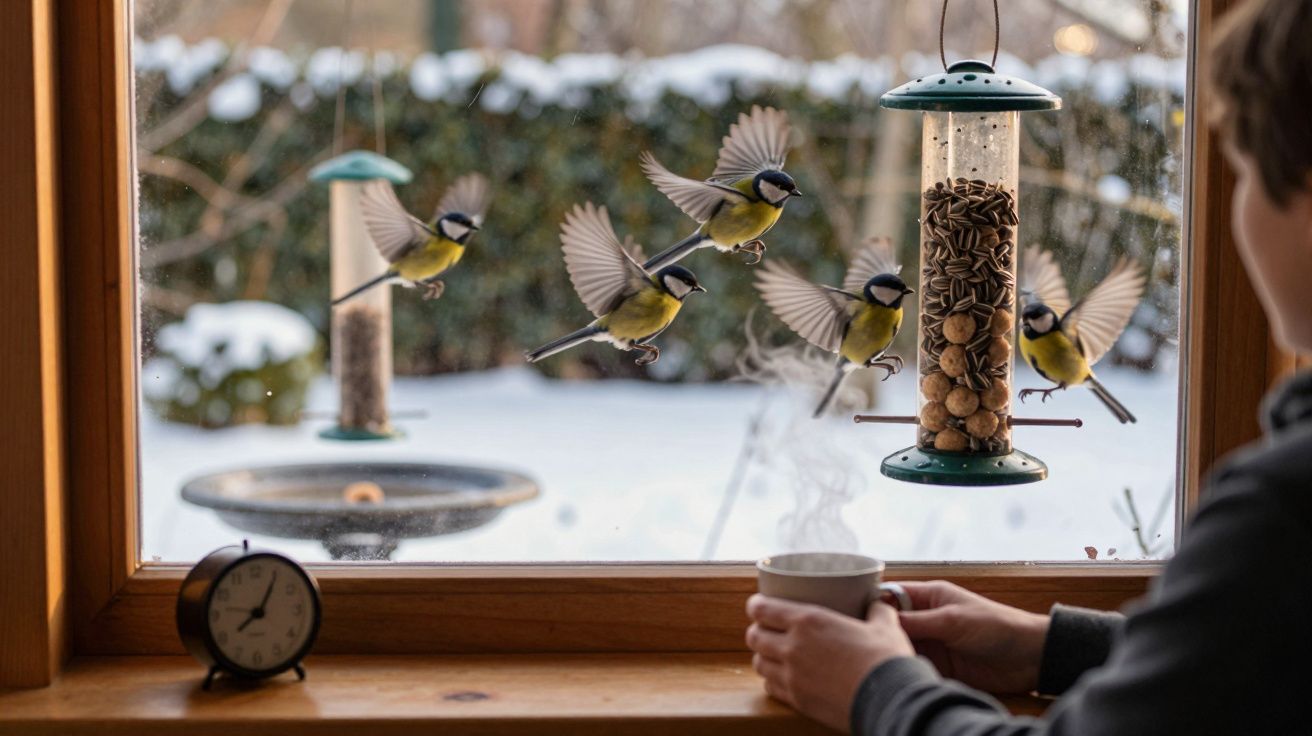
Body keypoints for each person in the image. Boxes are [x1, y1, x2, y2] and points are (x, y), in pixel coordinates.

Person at [744, 1, 1312, 733]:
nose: (1234, 211)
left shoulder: (1283, 516)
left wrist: (875, 688)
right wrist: (1050, 649)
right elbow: (1250, 669)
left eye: (1241, 170)